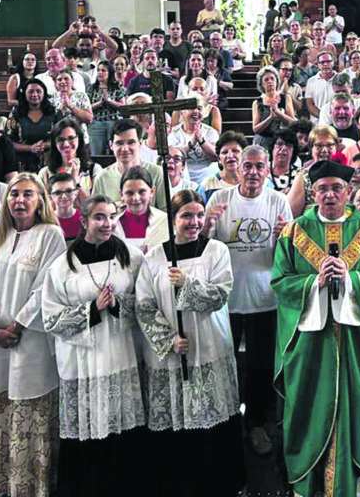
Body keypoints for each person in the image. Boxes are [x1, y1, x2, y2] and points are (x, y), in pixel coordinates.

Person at [270, 159, 360, 497]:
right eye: (322, 189)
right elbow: (280, 282)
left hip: (353, 341)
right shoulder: (294, 232)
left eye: (337, 188)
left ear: (349, 191)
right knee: (308, 406)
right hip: (311, 345)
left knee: (356, 411)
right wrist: (314, 283)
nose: (330, 195)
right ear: (311, 193)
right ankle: (306, 487)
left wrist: (350, 280)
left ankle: (353, 485)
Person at [136, 189, 245, 497]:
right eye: (186, 215)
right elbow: (143, 306)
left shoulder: (216, 251)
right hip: (172, 353)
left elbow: (221, 294)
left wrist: (188, 284)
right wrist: (169, 339)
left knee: (212, 420)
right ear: (173, 220)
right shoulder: (156, 256)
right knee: (176, 422)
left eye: (199, 215)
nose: (194, 222)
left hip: (210, 345)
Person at [0, 175, 65, 497]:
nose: (19, 200)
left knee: (29, 408)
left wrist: (18, 326)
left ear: (40, 200)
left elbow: (46, 287)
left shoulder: (51, 235)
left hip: (31, 340)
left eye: (28, 194)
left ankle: (30, 486)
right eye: (14, 194)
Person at [40, 195, 146, 497]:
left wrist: (118, 305)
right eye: (99, 217)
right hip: (81, 361)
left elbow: (146, 305)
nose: (107, 223)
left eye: (112, 216)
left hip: (120, 353)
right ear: (83, 221)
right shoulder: (62, 266)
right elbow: (51, 318)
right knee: (87, 430)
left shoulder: (132, 257)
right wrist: (91, 309)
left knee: (122, 428)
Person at [205, 145, 293, 457]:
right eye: (248, 166)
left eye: (259, 166)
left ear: (267, 170)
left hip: (264, 300)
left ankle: (256, 424)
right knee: (223, 364)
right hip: (224, 299)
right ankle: (224, 423)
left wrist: (287, 237)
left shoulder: (278, 201)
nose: (253, 172)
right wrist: (206, 227)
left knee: (259, 367)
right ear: (236, 168)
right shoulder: (219, 199)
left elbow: (289, 256)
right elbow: (201, 250)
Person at [114, 167, 169, 254]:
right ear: (121, 194)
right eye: (129, 193)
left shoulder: (165, 221)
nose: (136, 198)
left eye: (142, 192)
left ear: (152, 192)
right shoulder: (112, 224)